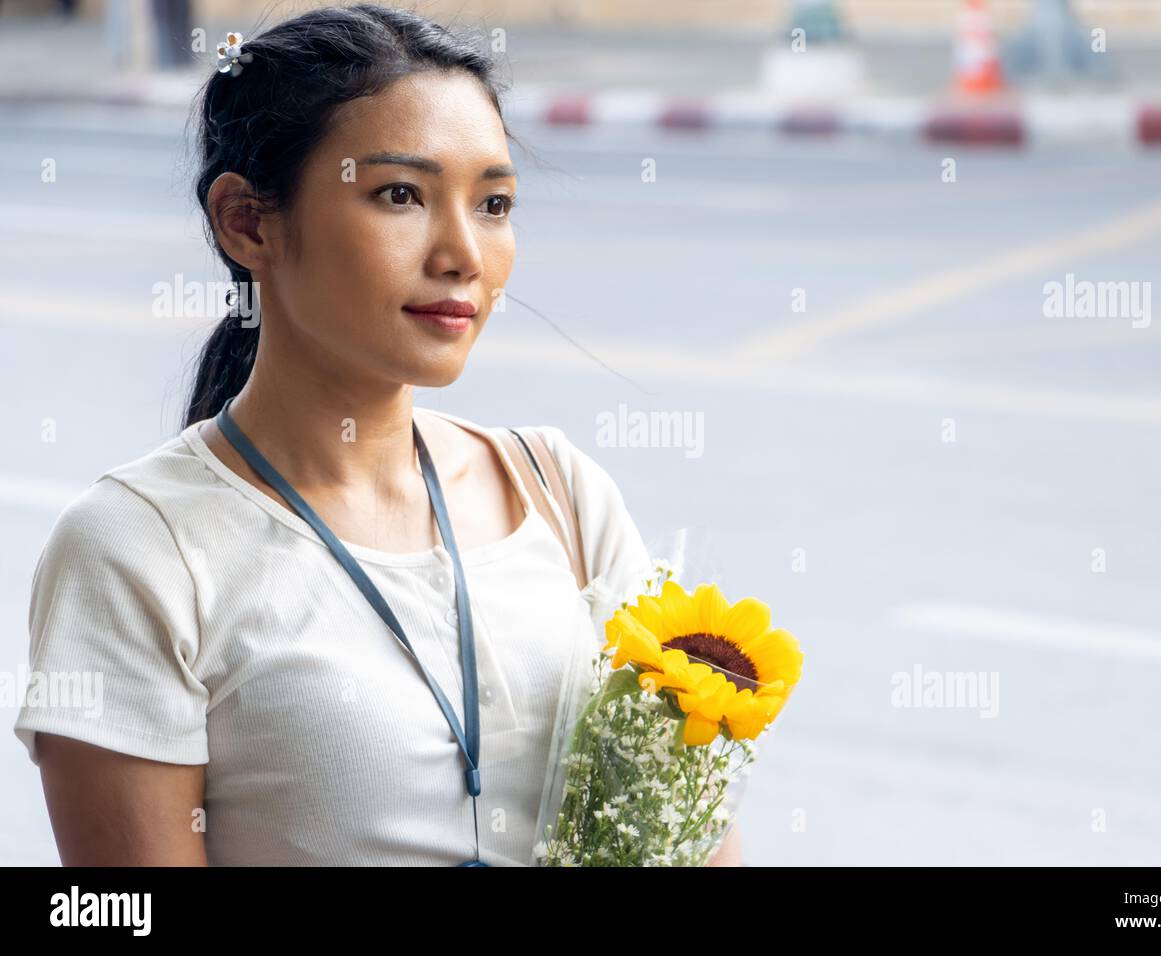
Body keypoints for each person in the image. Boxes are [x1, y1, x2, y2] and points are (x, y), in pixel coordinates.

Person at [12, 4, 743, 867]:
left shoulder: (560, 494)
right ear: (247, 222)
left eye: (495, 203)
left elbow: (699, 840)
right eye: (401, 195)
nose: (465, 253)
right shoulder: (140, 549)